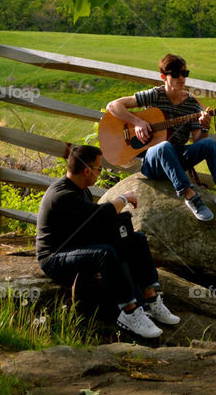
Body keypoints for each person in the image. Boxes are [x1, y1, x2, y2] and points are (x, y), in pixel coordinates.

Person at [36, 143, 180, 340]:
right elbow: (99, 214)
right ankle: (129, 312)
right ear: (87, 171)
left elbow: (94, 223)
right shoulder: (62, 195)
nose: (100, 173)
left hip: (77, 247)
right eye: (99, 168)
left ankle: (150, 300)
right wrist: (124, 198)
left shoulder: (81, 189)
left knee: (135, 239)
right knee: (104, 253)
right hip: (54, 258)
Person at [106, 53, 216, 223]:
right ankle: (190, 196)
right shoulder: (155, 95)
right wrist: (137, 122)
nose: (181, 78)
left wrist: (204, 126)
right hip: (153, 161)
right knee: (163, 146)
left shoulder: (192, 104)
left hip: (178, 158)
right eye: (175, 74)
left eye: (185, 73)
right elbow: (113, 106)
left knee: (208, 144)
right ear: (164, 77)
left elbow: (198, 141)